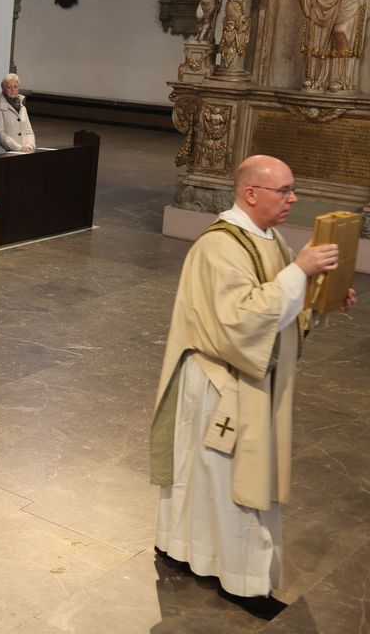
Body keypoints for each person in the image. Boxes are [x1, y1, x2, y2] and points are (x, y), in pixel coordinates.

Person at [151, 155, 355, 620]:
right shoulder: (219, 246)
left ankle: (185, 549)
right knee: (230, 483)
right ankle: (240, 579)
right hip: (220, 381)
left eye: (292, 189)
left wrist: (320, 299)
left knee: (209, 477)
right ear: (251, 193)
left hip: (246, 376)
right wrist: (299, 272)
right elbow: (241, 320)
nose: (293, 198)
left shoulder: (268, 238)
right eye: (284, 190)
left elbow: (278, 306)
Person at [0, 73, 35, 154]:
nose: (13, 90)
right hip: (4, 153)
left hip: (23, 152)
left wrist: (30, 146)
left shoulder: (22, 107)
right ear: (3, 88)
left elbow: (29, 131)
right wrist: (19, 148)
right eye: (9, 87)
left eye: (15, 87)